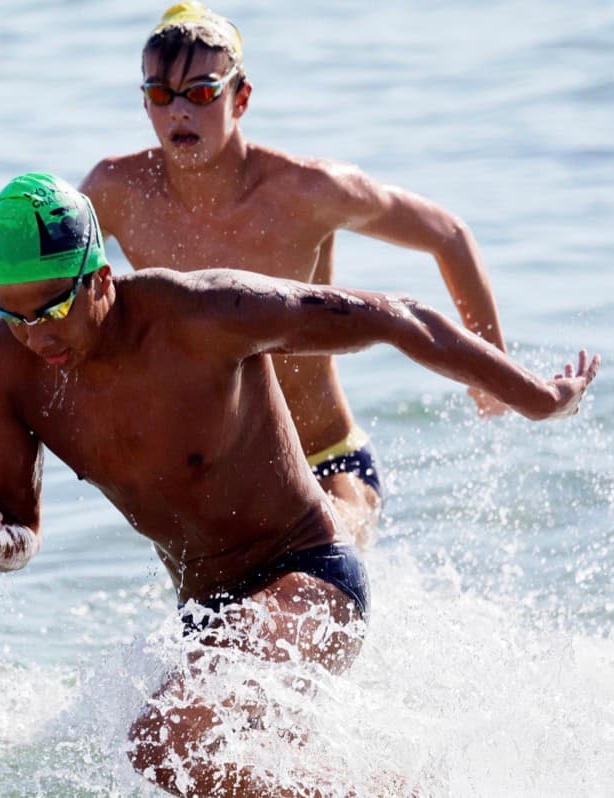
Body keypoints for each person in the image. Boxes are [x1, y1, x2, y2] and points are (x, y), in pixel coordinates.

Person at [0, 173, 598, 798]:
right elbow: (22, 529)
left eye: (54, 307)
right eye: (13, 315)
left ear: (101, 277)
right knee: (190, 762)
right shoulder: (2, 367)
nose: (37, 336)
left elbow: (401, 317)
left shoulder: (206, 314)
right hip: (205, 616)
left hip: (309, 576)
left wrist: (539, 399)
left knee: (162, 741)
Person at [81, 2, 508, 548]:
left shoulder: (307, 191)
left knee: (324, 553)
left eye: (201, 92)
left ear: (241, 97)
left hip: (327, 461)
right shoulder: (118, 193)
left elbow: (447, 233)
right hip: (212, 483)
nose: (179, 112)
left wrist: (489, 370)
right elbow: (47, 289)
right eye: (161, 95)